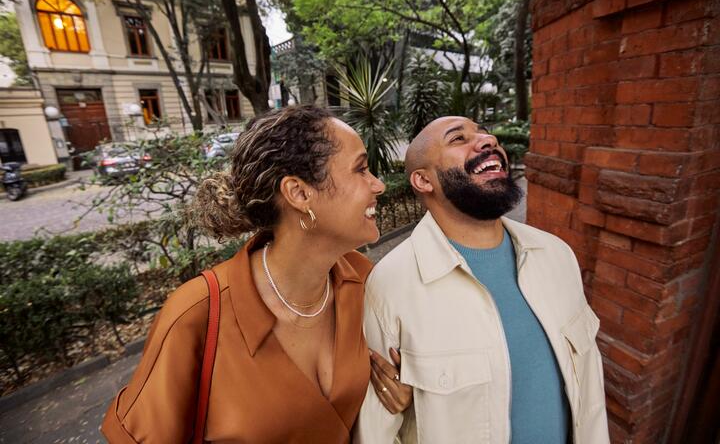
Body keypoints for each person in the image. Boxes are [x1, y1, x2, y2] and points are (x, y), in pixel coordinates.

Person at [102, 106, 410, 443]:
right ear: (299, 193)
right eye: (361, 169)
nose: (378, 185)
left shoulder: (362, 279)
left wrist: (394, 399)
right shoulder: (196, 314)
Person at [355, 116, 610, 443]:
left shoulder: (557, 255)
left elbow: (589, 391)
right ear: (423, 180)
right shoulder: (391, 285)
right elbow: (377, 433)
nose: (487, 141)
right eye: (458, 139)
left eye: (485, 134)